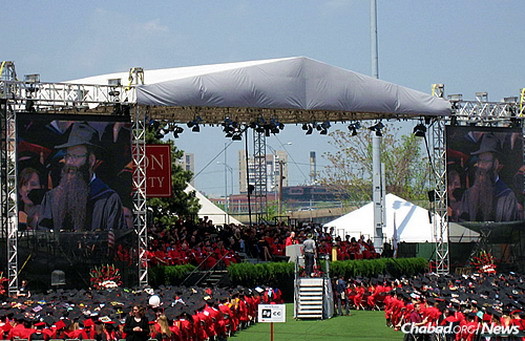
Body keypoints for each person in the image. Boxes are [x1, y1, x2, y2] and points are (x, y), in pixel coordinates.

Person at [37, 122, 126, 231]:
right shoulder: (52, 198)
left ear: (91, 160)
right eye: (68, 155)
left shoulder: (108, 200)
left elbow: (117, 241)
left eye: (76, 156)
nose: (69, 162)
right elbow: (42, 239)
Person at [458, 134, 519, 222]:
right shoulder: (468, 195)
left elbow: (510, 230)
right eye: (479, 161)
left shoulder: (507, 196)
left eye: (485, 161)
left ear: (496, 164)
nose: (481, 166)